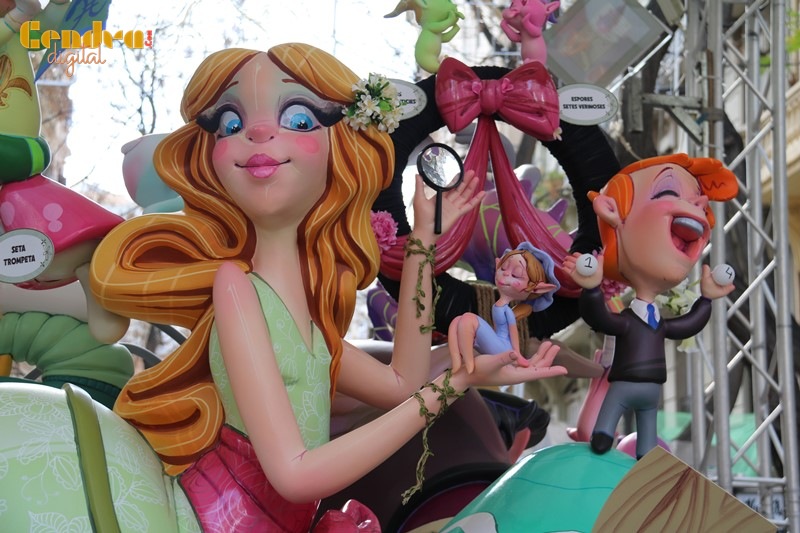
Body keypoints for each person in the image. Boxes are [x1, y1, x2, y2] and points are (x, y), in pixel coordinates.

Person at [90, 43, 567, 531]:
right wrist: (452, 386)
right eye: (231, 124)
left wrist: (423, 237)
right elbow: (295, 475)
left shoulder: (312, 327)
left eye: (298, 119)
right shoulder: (236, 287)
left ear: (341, 149)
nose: (257, 132)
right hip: (218, 519)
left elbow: (401, 382)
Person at [562, 154, 738, 459]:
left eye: (701, 203)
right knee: (605, 425)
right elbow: (601, 318)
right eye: (669, 191)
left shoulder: (659, 323)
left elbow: (687, 325)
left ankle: (645, 450)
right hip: (623, 384)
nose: (699, 205)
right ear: (612, 212)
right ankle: (603, 433)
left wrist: (707, 299)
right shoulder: (627, 320)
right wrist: (591, 290)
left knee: (647, 435)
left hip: (652, 389)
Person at [448, 242, 558, 370]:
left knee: (468, 318)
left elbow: (513, 334)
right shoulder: (500, 305)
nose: (505, 274)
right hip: (496, 342)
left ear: (535, 288)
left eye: (516, 274)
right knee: (457, 320)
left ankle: (469, 365)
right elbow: (496, 329)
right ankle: (457, 363)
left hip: (503, 348)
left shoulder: (508, 311)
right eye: (503, 268)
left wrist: (517, 355)